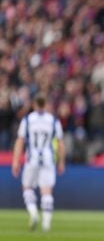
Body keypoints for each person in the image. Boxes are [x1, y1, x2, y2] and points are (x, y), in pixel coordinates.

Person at [11, 95, 65, 232]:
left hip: (32, 158)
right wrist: (61, 162)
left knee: (27, 187)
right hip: (48, 158)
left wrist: (16, 161)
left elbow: (20, 141)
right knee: (46, 190)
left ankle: (34, 213)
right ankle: (46, 223)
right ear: (46, 105)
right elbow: (60, 144)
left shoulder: (28, 119)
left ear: (34, 105)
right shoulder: (53, 120)